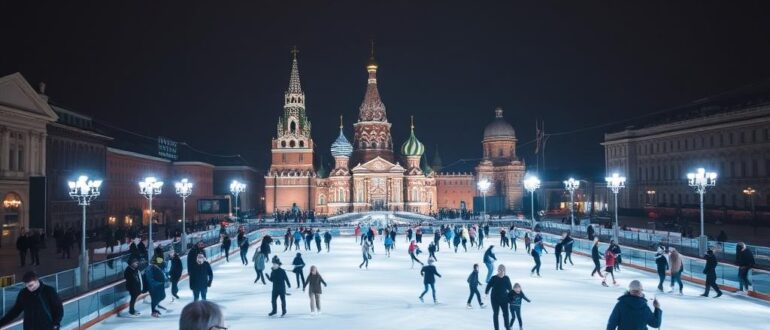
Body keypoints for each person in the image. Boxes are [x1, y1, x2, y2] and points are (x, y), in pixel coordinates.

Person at [485, 264, 513, 330]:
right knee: (496, 313)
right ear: (498, 270)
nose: (501, 271)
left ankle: (507, 326)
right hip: (494, 299)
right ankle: (496, 328)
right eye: (500, 270)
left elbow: (510, 289)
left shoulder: (506, 278)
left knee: (506, 313)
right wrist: (486, 292)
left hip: (504, 299)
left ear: (504, 271)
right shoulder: (494, 278)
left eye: (503, 270)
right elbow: (489, 285)